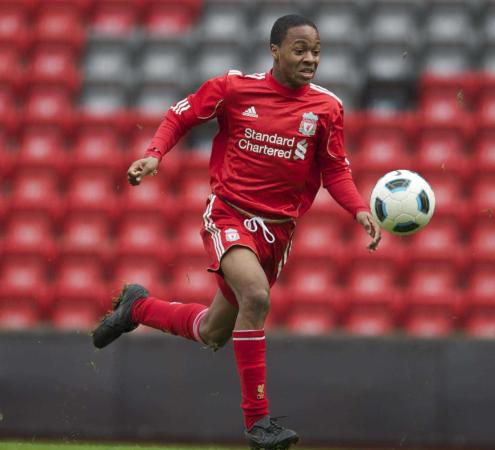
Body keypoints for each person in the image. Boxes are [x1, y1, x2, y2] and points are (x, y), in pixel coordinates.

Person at [91, 14, 381, 450]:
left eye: (316, 51)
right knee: (257, 297)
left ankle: (138, 308)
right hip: (230, 213)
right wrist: (154, 154)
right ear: (275, 50)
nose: (310, 59)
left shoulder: (326, 108)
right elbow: (180, 115)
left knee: (213, 332)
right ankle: (258, 423)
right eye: (300, 49)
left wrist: (359, 209)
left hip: (279, 232)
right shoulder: (234, 89)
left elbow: (334, 169)